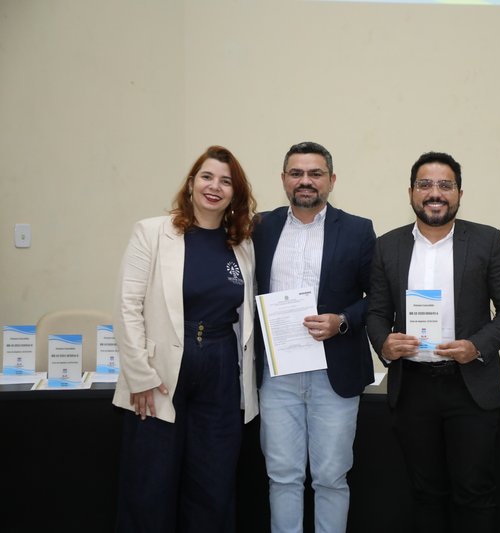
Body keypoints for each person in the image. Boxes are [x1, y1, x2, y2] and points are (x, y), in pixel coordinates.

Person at [366, 151, 500, 533]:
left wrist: (477, 346)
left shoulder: (487, 241)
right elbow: (375, 312)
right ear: (411, 192)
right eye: (425, 185)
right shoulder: (388, 246)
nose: (434, 193)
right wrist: (384, 344)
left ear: (459, 193)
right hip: (412, 389)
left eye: (444, 185)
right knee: (425, 494)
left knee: (474, 493)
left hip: (469, 388)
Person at [112, 145, 259, 533]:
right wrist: (139, 376)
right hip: (159, 374)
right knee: (150, 483)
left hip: (221, 370)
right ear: (191, 183)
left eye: (226, 181)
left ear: (235, 193)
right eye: (207, 177)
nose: (215, 187)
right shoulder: (151, 232)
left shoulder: (241, 244)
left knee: (213, 483)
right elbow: (127, 307)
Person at [252, 141, 376, 533]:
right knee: (282, 476)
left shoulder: (357, 230)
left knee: (331, 478)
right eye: (297, 173)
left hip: (333, 373)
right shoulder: (259, 227)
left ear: (331, 180)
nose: (305, 181)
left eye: (315, 173)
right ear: (284, 180)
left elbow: (377, 297)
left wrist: (342, 320)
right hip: (277, 375)